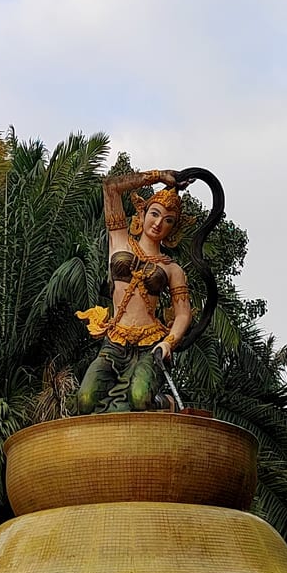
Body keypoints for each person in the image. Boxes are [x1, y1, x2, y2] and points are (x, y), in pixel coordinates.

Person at [76, 169, 192, 413]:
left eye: (168, 220)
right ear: (143, 213)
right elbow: (111, 187)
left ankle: (165, 403)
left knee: (140, 398)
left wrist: (168, 343)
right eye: (155, 214)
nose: (158, 223)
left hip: (150, 343)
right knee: (85, 400)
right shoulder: (119, 240)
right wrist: (160, 176)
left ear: (173, 229)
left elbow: (183, 314)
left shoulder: (172, 269)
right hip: (115, 340)